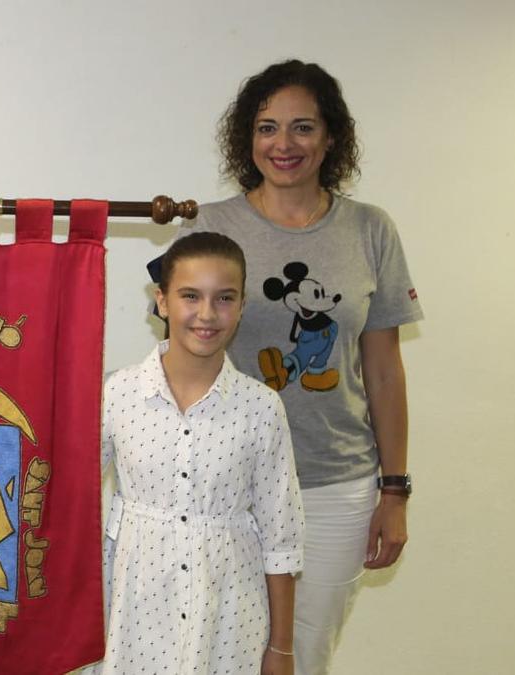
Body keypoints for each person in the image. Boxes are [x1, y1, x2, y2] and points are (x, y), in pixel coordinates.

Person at [184, 60, 424, 674]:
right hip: (226, 481)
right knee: (217, 650)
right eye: (267, 128)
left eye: (301, 128)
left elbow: (385, 368)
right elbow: (183, 356)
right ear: (248, 139)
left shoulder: (371, 230)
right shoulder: (210, 226)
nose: (283, 144)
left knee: (300, 655)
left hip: (334, 483)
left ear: (331, 138)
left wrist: (393, 490)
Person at [101, 232, 304, 675]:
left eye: (224, 298)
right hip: (133, 610)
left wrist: (282, 648)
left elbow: (281, 539)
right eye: (190, 296)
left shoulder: (261, 408)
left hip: (229, 613)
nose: (207, 314)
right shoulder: (117, 394)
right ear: (162, 301)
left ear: (243, 305)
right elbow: (68, 502)